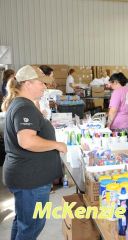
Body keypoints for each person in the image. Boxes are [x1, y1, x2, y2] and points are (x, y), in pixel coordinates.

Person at [1, 65, 67, 240]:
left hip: (26, 176)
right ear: (28, 83)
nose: (44, 87)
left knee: (23, 222)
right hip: (30, 179)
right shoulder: (24, 107)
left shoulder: (23, 104)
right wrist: (56, 145)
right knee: (32, 225)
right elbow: (27, 140)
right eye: (41, 83)